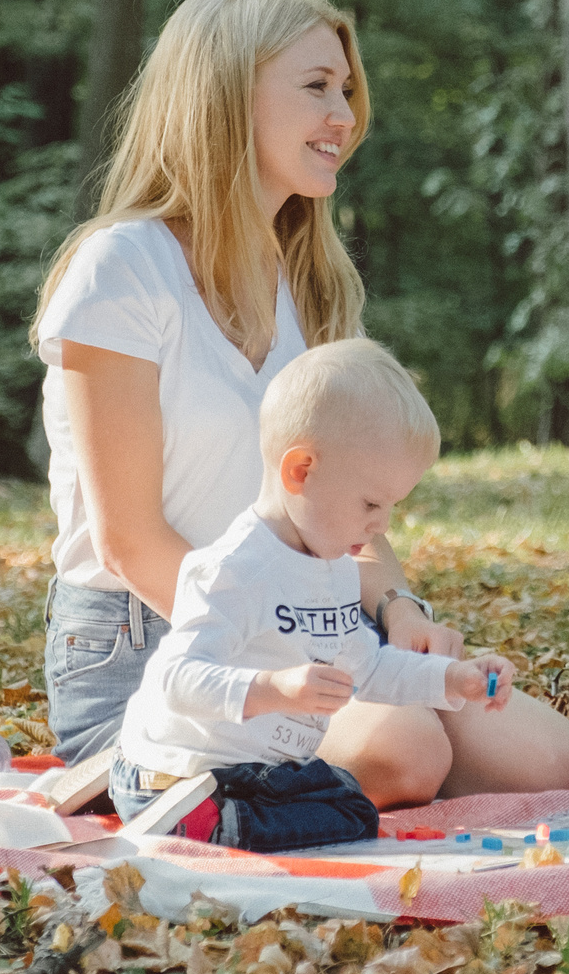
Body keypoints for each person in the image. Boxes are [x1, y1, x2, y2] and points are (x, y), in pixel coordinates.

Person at [35, 0, 569, 804]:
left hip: (310, 619)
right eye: (317, 87)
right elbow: (128, 541)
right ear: (227, 95)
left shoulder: (311, 282)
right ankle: (161, 775)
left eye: (346, 89)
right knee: (405, 747)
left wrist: (400, 611)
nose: (345, 116)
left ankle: (318, 770)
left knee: (556, 764)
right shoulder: (121, 269)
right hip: (159, 644)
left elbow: (344, 509)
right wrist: (292, 650)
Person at [111, 340, 517, 848]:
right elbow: (177, 680)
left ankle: (235, 824)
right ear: (300, 471)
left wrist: (452, 679)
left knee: (352, 808)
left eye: (391, 507)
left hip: (260, 772)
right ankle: (207, 824)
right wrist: (274, 689)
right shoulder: (233, 570)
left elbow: (369, 669)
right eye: (371, 503)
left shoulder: (336, 570)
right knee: (306, 810)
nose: (382, 525)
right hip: (176, 774)